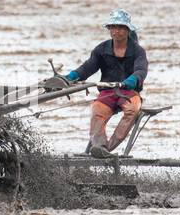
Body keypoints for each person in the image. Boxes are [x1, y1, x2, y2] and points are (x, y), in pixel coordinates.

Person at [59, 9, 148, 158]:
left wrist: (131, 81)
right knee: (97, 111)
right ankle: (99, 146)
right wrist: (70, 77)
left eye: (120, 27)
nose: (116, 31)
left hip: (129, 92)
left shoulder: (138, 51)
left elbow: (141, 70)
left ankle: (107, 149)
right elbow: (87, 68)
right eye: (112, 27)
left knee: (132, 110)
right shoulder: (102, 49)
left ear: (127, 30)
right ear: (108, 29)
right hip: (108, 92)